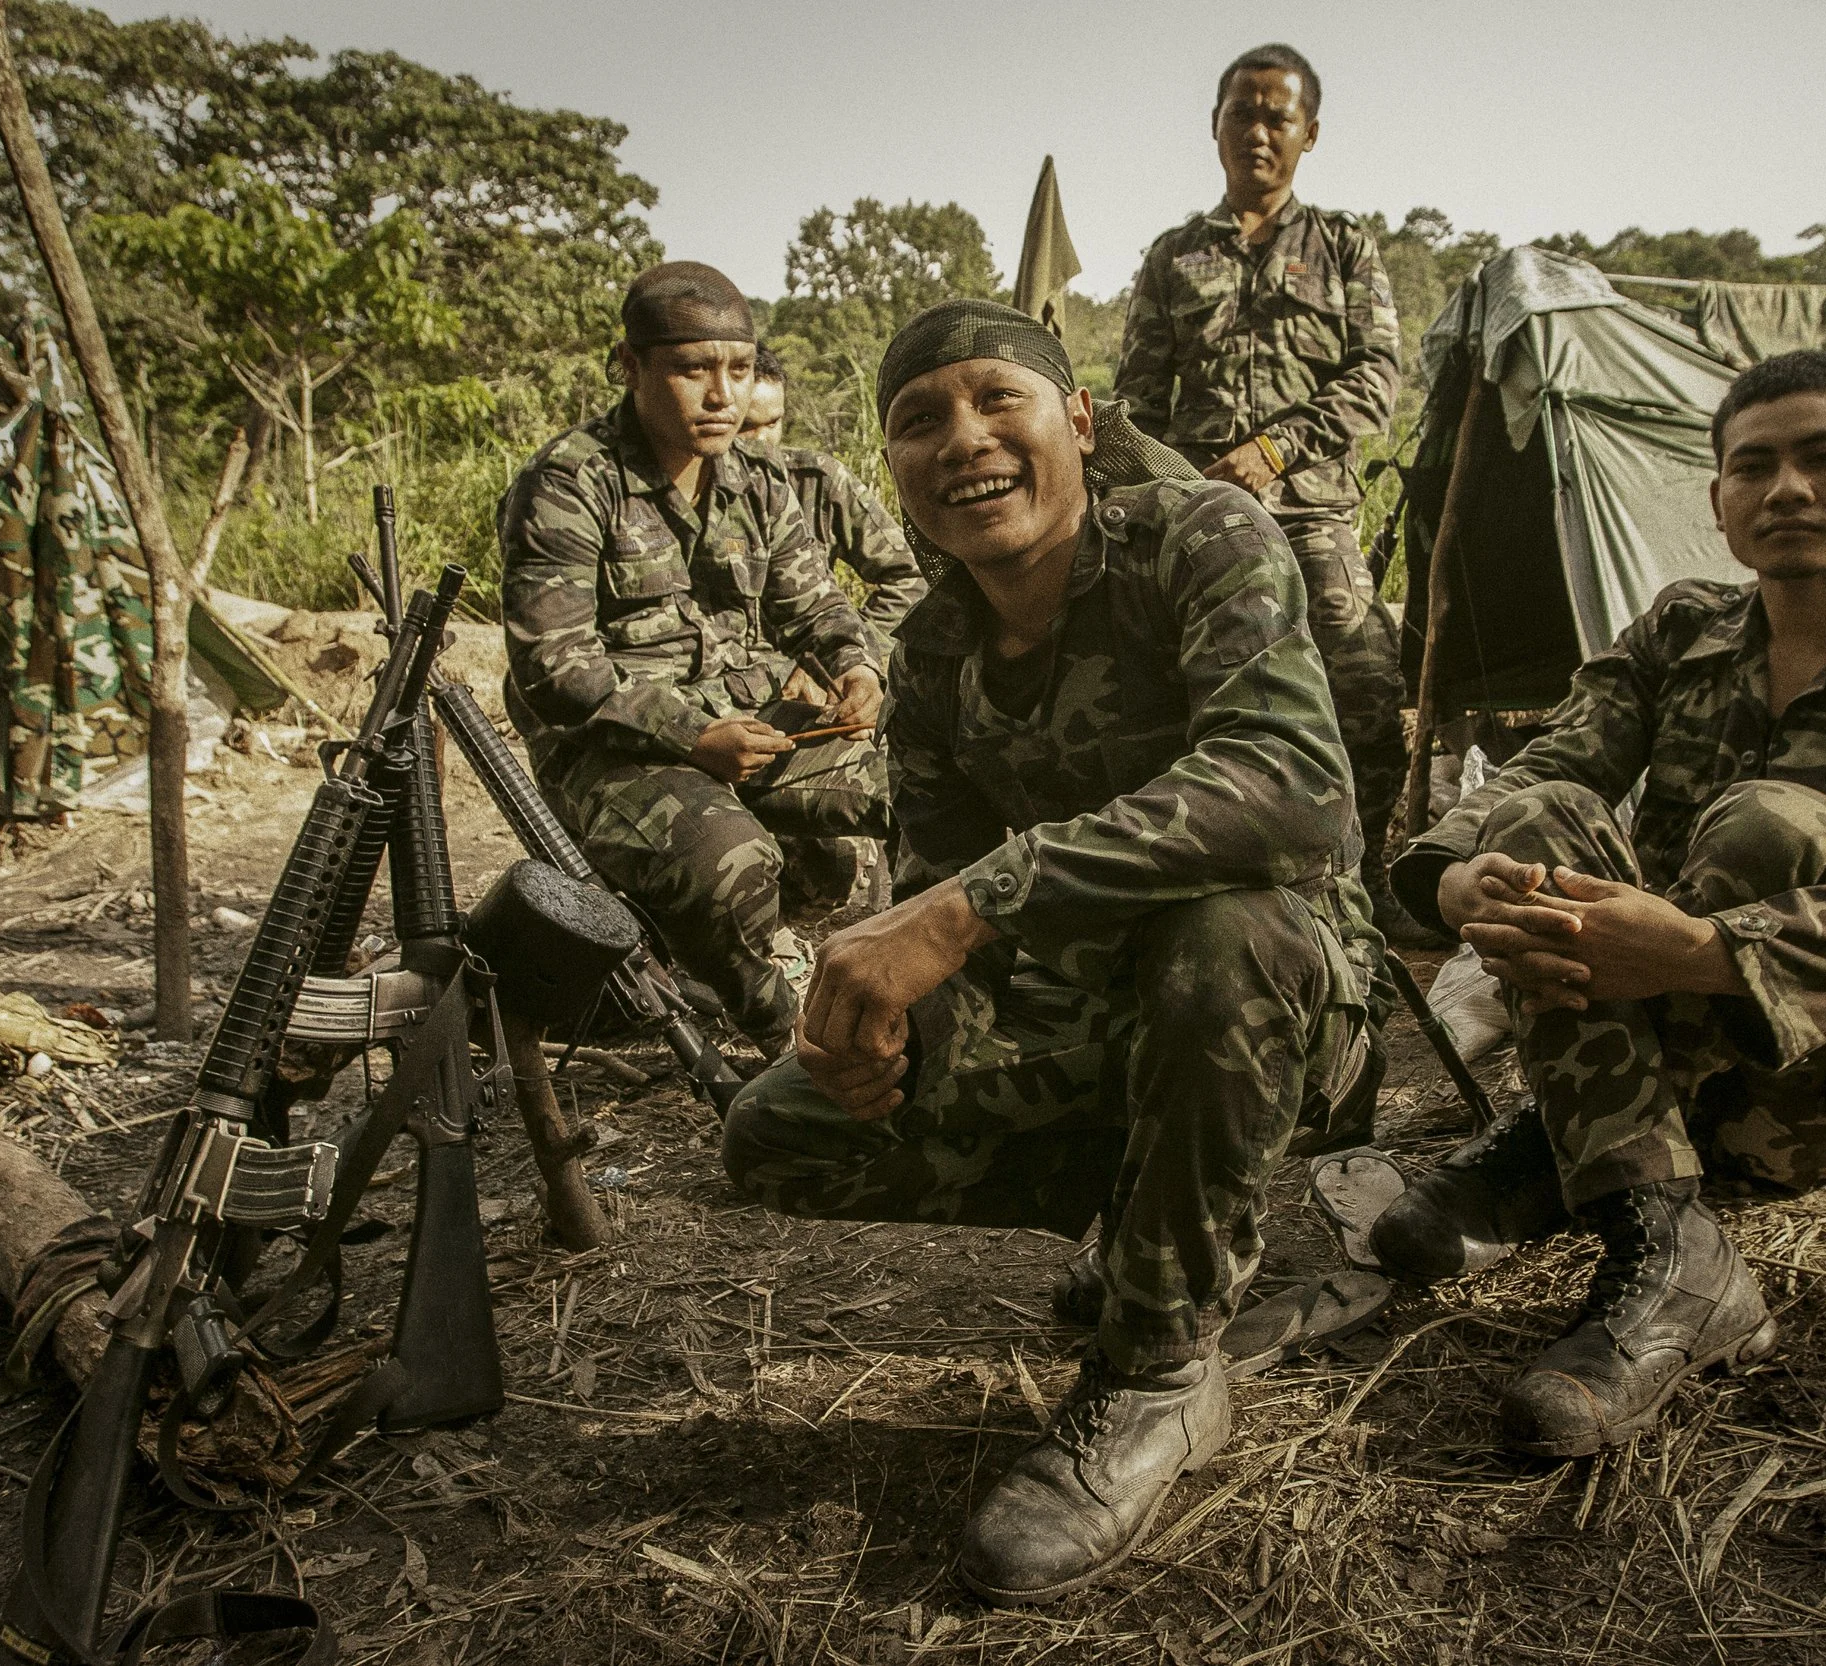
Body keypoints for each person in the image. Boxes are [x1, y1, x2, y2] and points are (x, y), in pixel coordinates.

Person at [722, 300, 1382, 1603]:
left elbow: (1292, 783)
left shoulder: (1201, 537)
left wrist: (967, 908)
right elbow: (935, 901)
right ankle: (1155, 1212)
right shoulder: (929, 649)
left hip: (1286, 1001)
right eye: (919, 421)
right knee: (778, 1125)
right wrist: (890, 1025)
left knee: (1220, 938)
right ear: (894, 470)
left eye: (996, 401)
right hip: (1091, 1007)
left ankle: (1159, 1371)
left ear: (1077, 420)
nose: (962, 440)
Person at [1377, 350, 1826, 1457]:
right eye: (1754, 467)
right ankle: (1660, 1224)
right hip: (1654, 1047)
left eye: (1821, 456)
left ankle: (1589, 1168)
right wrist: (1458, 877)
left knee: (1767, 825)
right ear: (1719, 502)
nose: (1786, 488)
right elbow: (1549, 765)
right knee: (1540, 820)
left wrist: (1699, 950)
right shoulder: (1679, 630)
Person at [499, 261, 888, 1054]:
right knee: (728, 858)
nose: (723, 397)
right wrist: (690, 737)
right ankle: (788, 1043)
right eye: (693, 370)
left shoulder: (758, 482)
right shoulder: (570, 483)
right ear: (632, 367)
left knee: (917, 777)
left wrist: (859, 665)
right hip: (611, 749)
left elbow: (814, 606)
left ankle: (944, 990)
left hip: (751, 731)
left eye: (739, 371)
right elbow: (555, 664)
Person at [1115, 42, 1421, 945]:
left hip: (1311, 511)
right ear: (1215, 127)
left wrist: (1276, 449)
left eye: (1276, 116)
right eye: (1241, 113)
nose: (1257, 131)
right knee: (1175, 693)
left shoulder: (1345, 248)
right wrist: (1166, 493)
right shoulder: (1173, 258)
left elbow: (1378, 377)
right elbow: (1137, 402)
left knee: (1363, 683)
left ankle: (1367, 883)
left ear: (1309, 133)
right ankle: (1216, 876)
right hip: (1199, 517)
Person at [741, 343, 929, 656]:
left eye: (773, 423)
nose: (762, 441)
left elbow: (911, 575)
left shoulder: (818, 481)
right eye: (746, 426)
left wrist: (853, 655)